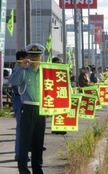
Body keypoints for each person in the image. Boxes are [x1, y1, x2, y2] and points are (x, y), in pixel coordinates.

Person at [9, 43, 46, 174]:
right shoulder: (24, 69)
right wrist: (21, 67)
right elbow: (13, 82)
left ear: (41, 57)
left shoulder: (45, 70)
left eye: (37, 56)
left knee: (38, 142)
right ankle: (24, 171)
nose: (35, 59)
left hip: (42, 109)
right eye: (32, 56)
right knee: (24, 142)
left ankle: (38, 169)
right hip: (28, 107)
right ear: (27, 56)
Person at [12, 50, 28, 161]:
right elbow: (14, 82)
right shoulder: (18, 68)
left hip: (23, 100)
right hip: (20, 100)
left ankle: (23, 153)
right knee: (21, 129)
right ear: (22, 58)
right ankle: (19, 155)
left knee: (25, 129)